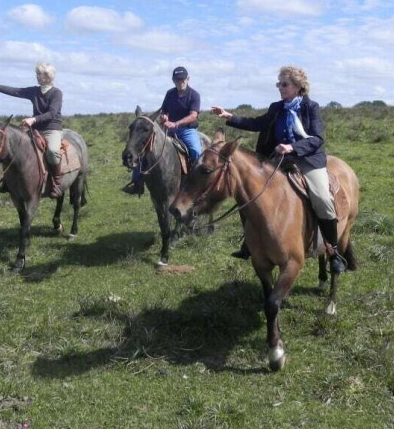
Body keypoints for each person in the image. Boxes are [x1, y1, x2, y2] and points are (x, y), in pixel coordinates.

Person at [211, 65, 345, 274]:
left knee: (322, 198)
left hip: (307, 160)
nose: (280, 87)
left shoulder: (311, 107)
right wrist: (229, 116)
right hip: (279, 159)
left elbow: (317, 139)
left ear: (298, 86)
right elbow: (257, 123)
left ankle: (333, 251)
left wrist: (292, 147)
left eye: (284, 84)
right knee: (248, 193)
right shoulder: (277, 108)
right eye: (278, 84)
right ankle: (250, 243)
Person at [0, 62, 64, 198]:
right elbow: (15, 91)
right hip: (35, 129)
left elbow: (52, 113)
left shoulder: (56, 93)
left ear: (49, 76)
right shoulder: (34, 91)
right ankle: (7, 180)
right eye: (37, 74)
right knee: (13, 148)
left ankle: (56, 183)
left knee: (52, 151)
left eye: (41, 74)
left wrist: (34, 119)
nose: (38, 76)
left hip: (51, 129)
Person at [122, 66, 203, 196]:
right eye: (177, 79)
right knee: (145, 149)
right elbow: (164, 110)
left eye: (183, 79)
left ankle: (197, 184)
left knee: (196, 151)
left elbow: (193, 115)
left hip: (187, 130)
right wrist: (164, 117)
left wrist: (176, 124)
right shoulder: (170, 94)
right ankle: (137, 182)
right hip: (169, 130)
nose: (180, 82)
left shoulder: (194, 95)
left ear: (188, 79)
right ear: (173, 80)